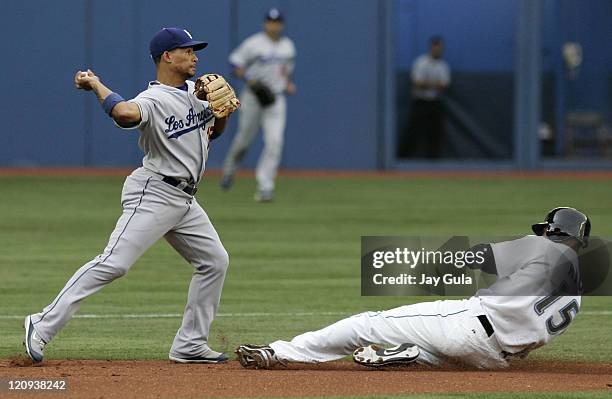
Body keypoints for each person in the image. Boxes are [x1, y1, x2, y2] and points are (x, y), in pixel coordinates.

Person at [23, 27, 238, 364]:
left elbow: (212, 135)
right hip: (153, 193)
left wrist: (222, 115)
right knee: (115, 263)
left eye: (196, 51)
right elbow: (124, 114)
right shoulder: (151, 99)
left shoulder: (198, 96)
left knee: (214, 262)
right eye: (188, 50)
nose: (196, 57)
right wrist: (96, 84)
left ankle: (190, 344)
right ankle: (42, 322)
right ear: (168, 56)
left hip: (185, 201)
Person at [236, 207, 589, 369]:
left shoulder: (540, 246)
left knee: (367, 323)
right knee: (436, 352)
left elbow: (478, 258)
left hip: (466, 324)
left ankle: (279, 352)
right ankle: (409, 354)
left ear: (555, 231)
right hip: (495, 359)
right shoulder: (576, 294)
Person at [220, 8, 297, 202]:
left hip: (276, 98)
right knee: (244, 141)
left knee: (275, 142)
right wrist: (248, 78)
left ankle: (265, 187)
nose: (274, 25)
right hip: (253, 97)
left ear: (281, 24)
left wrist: (287, 83)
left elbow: (286, 71)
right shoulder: (254, 43)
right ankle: (229, 170)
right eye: (271, 22)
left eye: (277, 22)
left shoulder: (288, 46)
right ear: (265, 24)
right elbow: (234, 63)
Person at [398, 36, 451, 159]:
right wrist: (434, 84)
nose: (438, 51)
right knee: (413, 131)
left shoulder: (443, 66)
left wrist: (427, 84)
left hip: (435, 103)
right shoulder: (420, 62)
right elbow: (417, 83)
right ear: (431, 48)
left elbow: (444, 85)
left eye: (440, 49)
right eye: (436, 48)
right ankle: (402, 159)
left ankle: (433, 161)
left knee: (435, 133)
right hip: (420, 102)